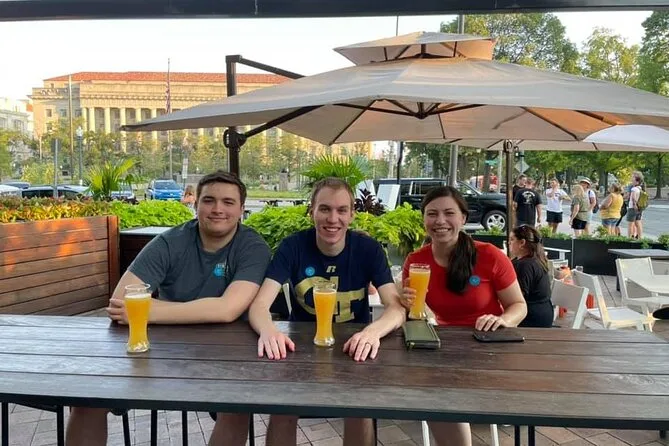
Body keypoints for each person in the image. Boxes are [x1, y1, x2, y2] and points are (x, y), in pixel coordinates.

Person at [66, 170, 272, 446]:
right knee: (87, 399)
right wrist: (192, 311)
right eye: (209, 200)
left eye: (228, 202)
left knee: (238, 405)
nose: (217, 209)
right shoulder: (170, 241)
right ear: (195, 204)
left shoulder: (252, 246)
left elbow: (227, 310)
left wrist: (148, 311)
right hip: (162, 348)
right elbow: (121, 301)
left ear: (241, 209)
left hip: (229, 353)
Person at [248, 177, 406, 446]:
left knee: (360, 410)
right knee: (282, 409)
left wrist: (373, 332)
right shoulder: (293, 246)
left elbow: (396, 308)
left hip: (353, 349)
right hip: (300, 350)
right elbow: (260, 305)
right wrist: (268, 331)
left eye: (341, 210)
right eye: (324, 209)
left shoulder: (368, 249)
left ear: (352, 215)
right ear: (312, 211)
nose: (333, 219)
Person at [400, 186, 527, 446]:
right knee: (430, 387)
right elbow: (414, 311)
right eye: (432, 214)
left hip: (485, 352)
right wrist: (407, 304)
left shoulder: (490, 255)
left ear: (463, 218)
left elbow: (518, 305)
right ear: (424, 219)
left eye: (449, 213)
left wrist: (503, 320)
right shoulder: (415, 261)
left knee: (440, 393)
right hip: (438, 351)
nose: (440, 221)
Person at [509, 225, 553, 328]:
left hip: (532, 320)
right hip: (544, 313)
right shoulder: (537, 259)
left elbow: (517, 298)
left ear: (522, 243)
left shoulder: (525, 265)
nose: (509, 243)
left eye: (512, 239)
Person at [627, 172, 645, 239]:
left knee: (630, 224)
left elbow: (633, 198)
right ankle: (640, 237)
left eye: (633, 177)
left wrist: (634, 204)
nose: (631, 179)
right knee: (638, 223)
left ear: (636, 180)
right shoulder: (640, 188)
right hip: (639, 208)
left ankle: (629, 238)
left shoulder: (633, 189)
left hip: (632, 208)